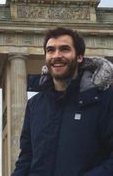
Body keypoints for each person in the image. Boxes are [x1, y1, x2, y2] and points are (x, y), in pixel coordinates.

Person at [12, 27, 113, 176]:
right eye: (50, 50)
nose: (56, 55)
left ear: (79, 57)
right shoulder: (34, 105)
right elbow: (27, 157)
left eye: (64, 49)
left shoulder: (104, 98)